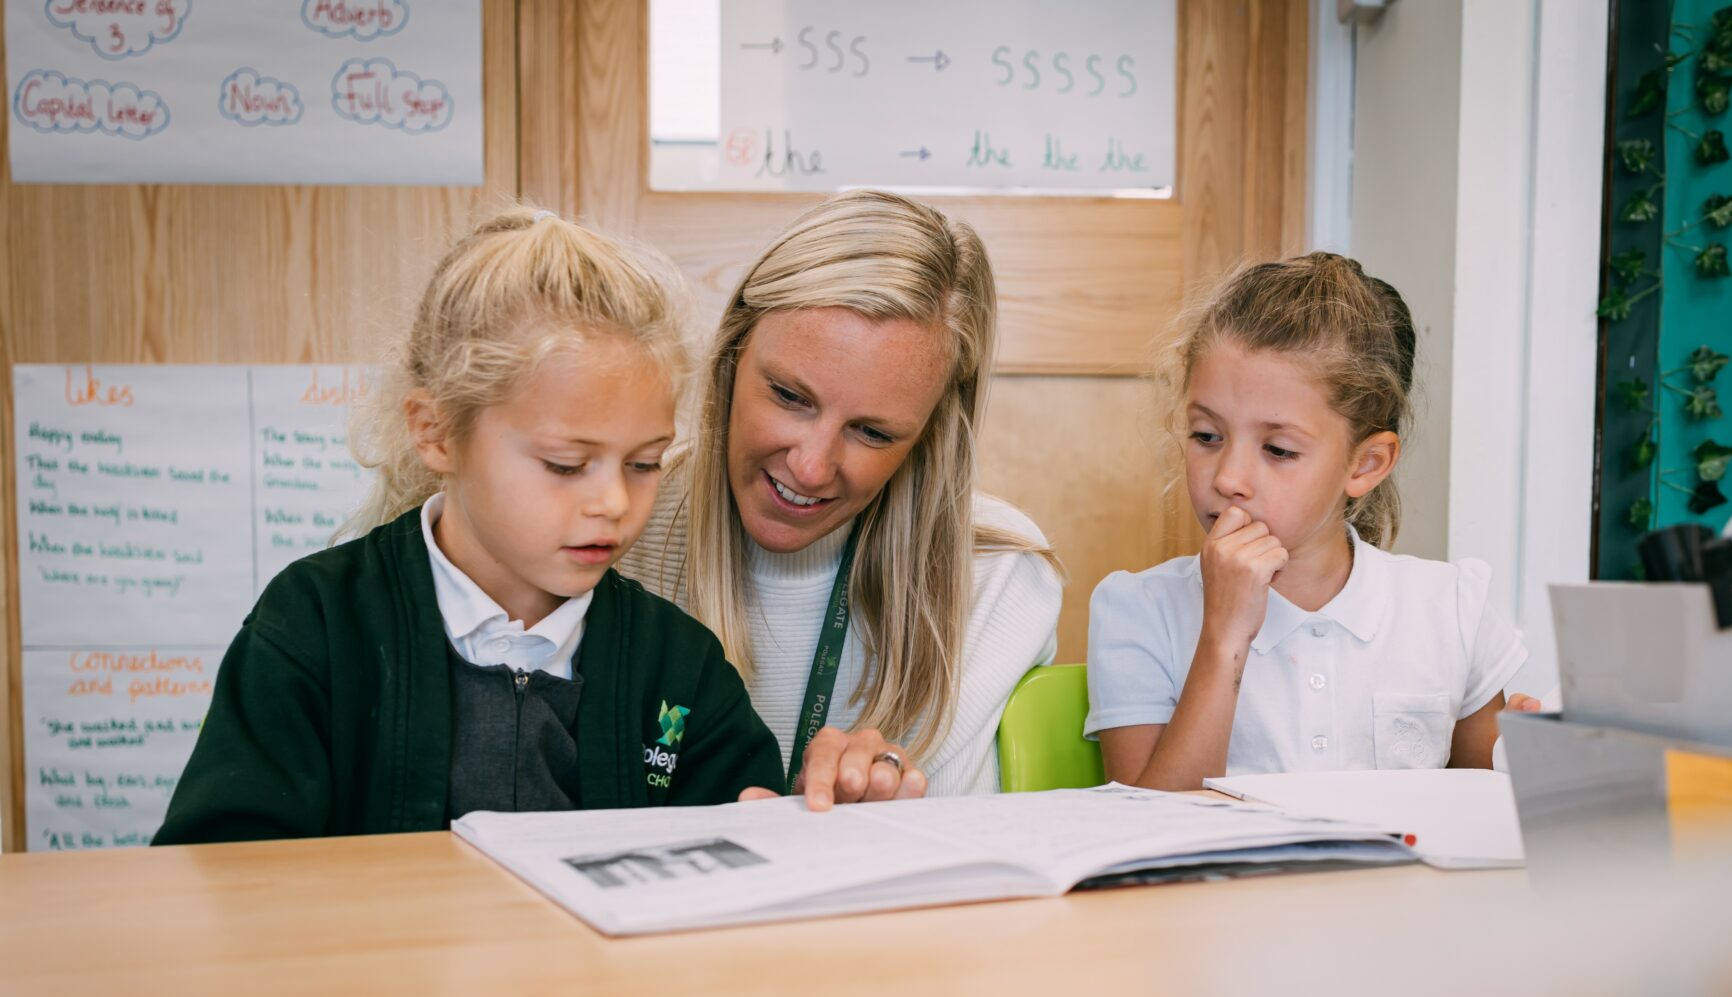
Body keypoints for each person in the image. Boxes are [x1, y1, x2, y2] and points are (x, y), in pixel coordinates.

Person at [156, 209, 893, 846]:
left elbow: (740, 875)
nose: (612, 502)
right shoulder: (315, 626)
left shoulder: (680, 667)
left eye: (643, 464)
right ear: (437, 432)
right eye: (566, 464)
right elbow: (221, 873)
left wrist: (818, 824)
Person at [623, 191, 1064, 796]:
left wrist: (882, 814)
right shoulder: (617, 520)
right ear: (730, 354)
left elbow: (962, 859)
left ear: (929, 434)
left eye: (872, 432)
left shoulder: (995, 576)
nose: (810, 467)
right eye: (789, 396)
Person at [1085, 253, 1540, 790]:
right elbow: (1145, 831)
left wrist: (1535, 762)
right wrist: (1224, 636)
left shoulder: (1452, 610)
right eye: (1207, 436)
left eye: (1278, 449)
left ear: (1364, 464)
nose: (1229, 477)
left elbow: (1483, 807)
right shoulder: (1136, 611)